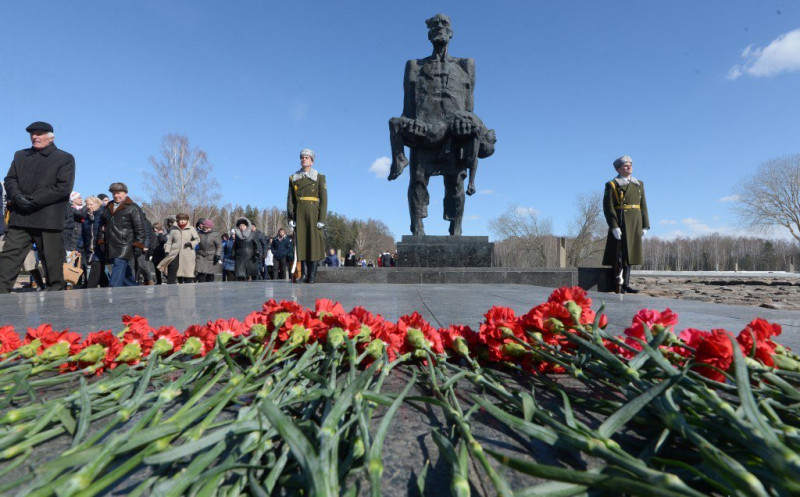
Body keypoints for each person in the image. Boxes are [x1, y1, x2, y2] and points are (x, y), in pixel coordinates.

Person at [387, 13, 496, 236]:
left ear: (451, 32)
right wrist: (410, 123)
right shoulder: (415, 66)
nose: (439, 27)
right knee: (417, 179)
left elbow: (469, 107)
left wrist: (469, 123)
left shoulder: (465, 65)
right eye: (434, 25)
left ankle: (456, 227)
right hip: (424, 131)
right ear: (428, 34)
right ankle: (417, 227)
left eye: (444, 23)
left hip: (454, 134)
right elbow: (408, 107)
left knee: (455, 183)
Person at [0, 122, 75, 293]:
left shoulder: (64, 158)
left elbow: (63, 187)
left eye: (39, 133)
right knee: (9, 256)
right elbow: (10, 179)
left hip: (48, 218)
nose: (35, 137)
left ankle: (55, 297)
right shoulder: (20, 155)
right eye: (32, 134)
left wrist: (33, 200)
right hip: (21, 217)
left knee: (52, 260)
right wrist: (17, 196)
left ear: (51, 137)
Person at [602, 155, 650, 293]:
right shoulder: (612, 184)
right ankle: (616, 283)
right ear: (618, 169)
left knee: (631, 254)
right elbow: (608, 207)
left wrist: (645, 224)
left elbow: (643, 205)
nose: (629, 167)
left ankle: (626, 284)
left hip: (635, 222)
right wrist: (614, 226)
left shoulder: (639, 184)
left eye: (630, 165)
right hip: (621, 221)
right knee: (618, 254)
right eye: (625, 165)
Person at [287, 149, 327, 283]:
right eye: (302, 157)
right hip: (300, 213)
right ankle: (304, 274)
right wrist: (290, 217)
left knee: (313, 244)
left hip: (313, 212)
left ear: (312, 161)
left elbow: (324, 199)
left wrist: (322, 219)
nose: (304, 159)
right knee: (302, 243)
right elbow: (290, 199)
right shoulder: (294, 178)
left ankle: (312, 275)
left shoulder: (319, 177)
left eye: (307, 157)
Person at [97, 182, 146, 287]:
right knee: (125, 272)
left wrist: (139, 245)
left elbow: (140, 229)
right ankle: (133, 288)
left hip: (125, 244)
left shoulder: (133, 208)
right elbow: (102, 226)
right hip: (111, 243)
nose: (116, 195)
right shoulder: (108, 207)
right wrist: (101, 240)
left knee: (118, 265)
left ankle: (113, 289)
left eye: (118, 193)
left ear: (125, 193)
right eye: (113, 193)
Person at [163, 213, 199, 284]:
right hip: (174, 252)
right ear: (177, 220)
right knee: (172, 269)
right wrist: (167, 251)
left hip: (187, 253)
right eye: (180, 220)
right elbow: (169, 241)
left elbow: (197, 239)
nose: (182, 221)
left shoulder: (191, 229)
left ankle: (188, 287)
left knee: (187, 273)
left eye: (184, 220)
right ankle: (171, 285)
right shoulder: (173, 229)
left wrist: (191, 243)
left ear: (187, 220)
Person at [81, 196, 109, 288]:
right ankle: (106, 285)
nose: (89, 206)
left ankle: (90, 288)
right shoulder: (86, 218)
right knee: (100, 270)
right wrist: (79, 247)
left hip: (100, 246)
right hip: (89, 247)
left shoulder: (102, 215)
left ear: (97, 204)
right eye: (87, 204)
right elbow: (83, 234)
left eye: (91, 204)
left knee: (95, 265)